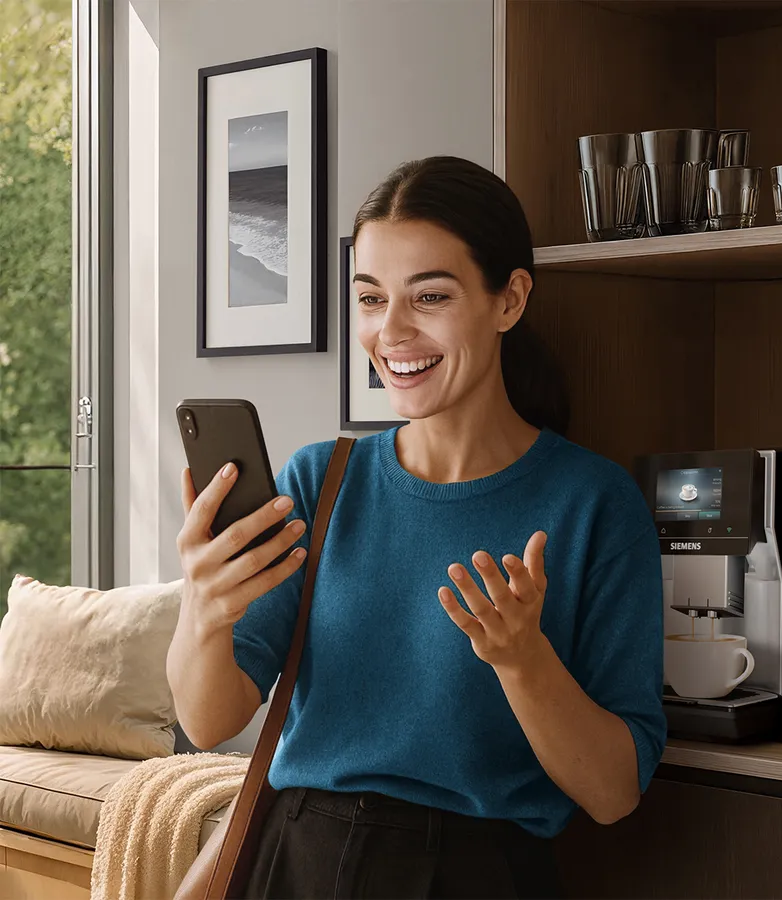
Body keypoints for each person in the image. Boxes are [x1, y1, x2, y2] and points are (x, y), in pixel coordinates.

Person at [166, 157, 668, 899]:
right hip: (297, 863)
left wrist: (522, 660)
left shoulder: (595, 503)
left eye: (428, 296)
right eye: (371, 298)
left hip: (478, 874)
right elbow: (210, 722)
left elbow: (613, 793)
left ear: (510, 299)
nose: (390, 331)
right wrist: (203, 610)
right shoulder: (319, 483)